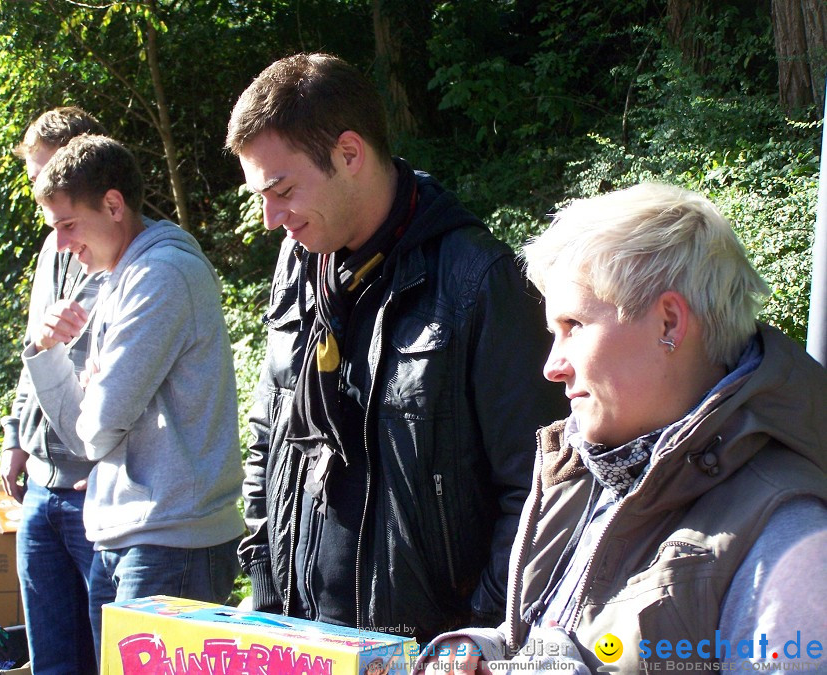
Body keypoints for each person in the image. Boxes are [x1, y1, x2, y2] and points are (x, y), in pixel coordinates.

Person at [417, 182, 827, 674]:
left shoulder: (793, 538)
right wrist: (477, 651)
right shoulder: (592, 472)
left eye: (574, 326)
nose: (551, 366)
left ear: (669, 324)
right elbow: (553, 639)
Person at [225, 53, 566, 643]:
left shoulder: (477, 282)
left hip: (422, 648)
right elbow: (267, 434)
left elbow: (539, 490)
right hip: (294, 629)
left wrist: (474, 632)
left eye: (280, 189)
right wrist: (263, 577)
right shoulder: (297, 263)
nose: (268, 217)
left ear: (349, 154)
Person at [23, 134, 244, 663]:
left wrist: (100, 395)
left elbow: (97, 426)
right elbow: (85, 425)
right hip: (128, 532)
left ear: (114, 205)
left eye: (69, 225)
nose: (61, 246)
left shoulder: (161, 273)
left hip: (173, 539)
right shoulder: (121, 275)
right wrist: (48, 351)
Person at [0, 106, 105, 675]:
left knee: (106, 655)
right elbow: (35, 347)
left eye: (45, 173)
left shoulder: (126, 252)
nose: (38, 189)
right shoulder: (51, 248)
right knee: (54, 661)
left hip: (96, 488)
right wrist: (16, 433)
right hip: (42, 484)